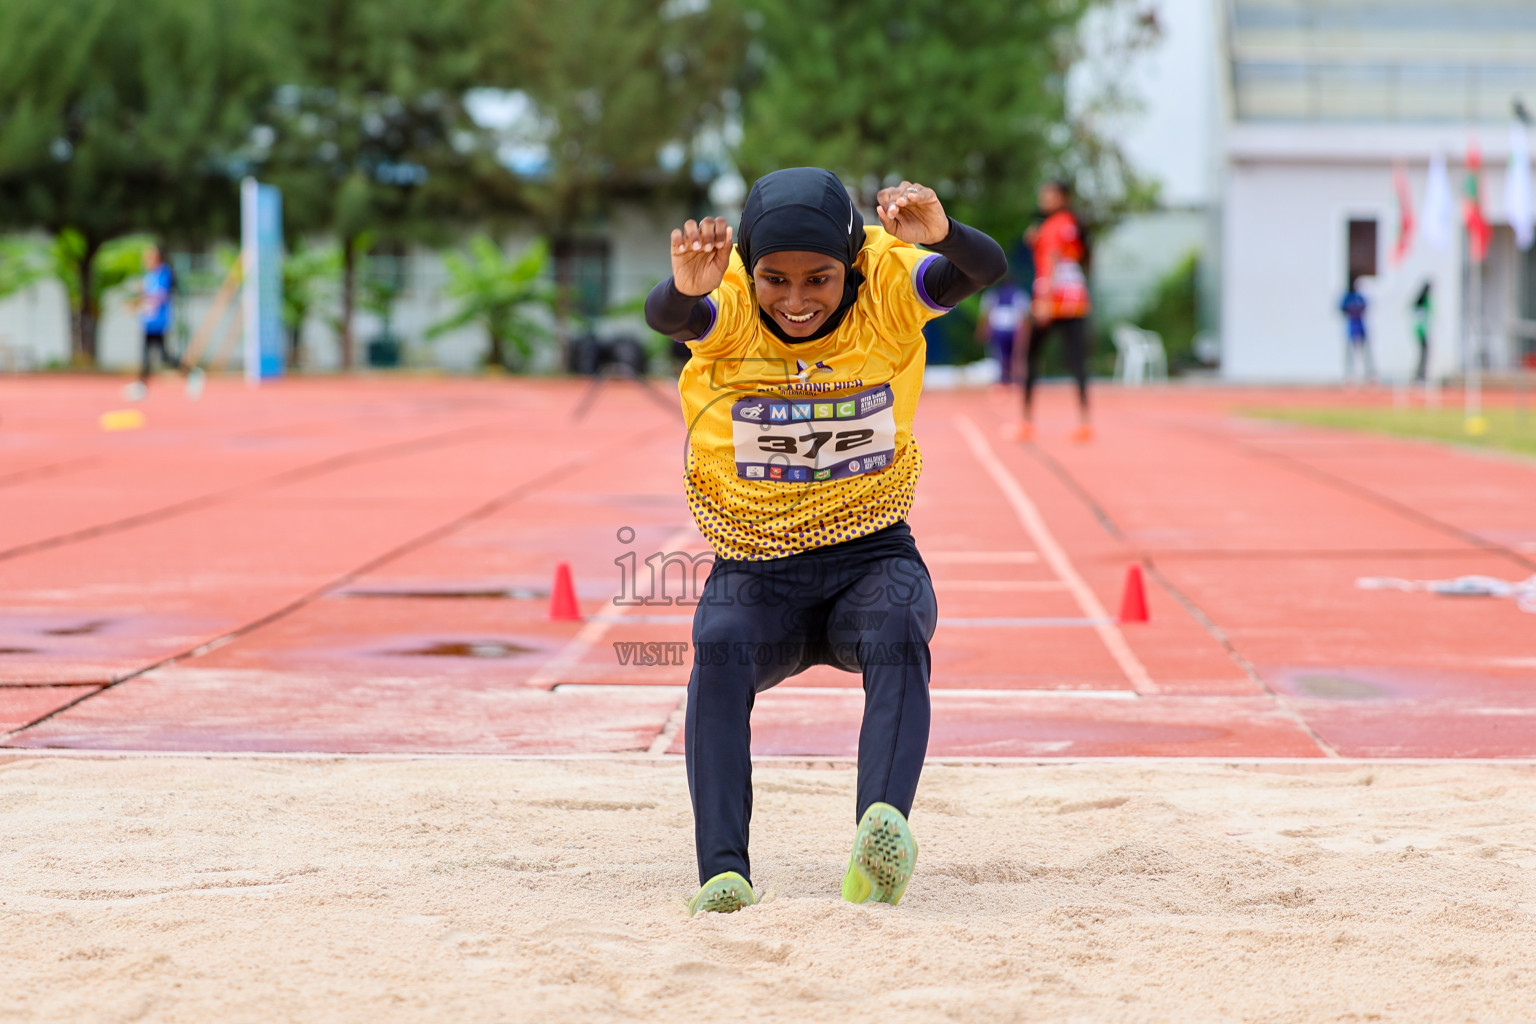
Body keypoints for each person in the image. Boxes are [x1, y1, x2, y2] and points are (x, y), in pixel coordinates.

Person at [644, 168, 1006, 915]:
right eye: (777, 278)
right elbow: (671, 318)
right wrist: (685, 288)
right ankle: (723, 874)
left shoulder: (885, 294)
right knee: (718, 646)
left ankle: (881, 832)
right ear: (749, 266)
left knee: (900, 624)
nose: (798, 299)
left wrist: (942, 236)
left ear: (854, 265)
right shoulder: (734, 302)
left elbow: (983, 269)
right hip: (755, 569)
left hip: (868, 558)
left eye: (820, 279)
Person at [1012, 181, 1092, 442]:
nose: (1043, 197)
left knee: (1033, 357)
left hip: (1056, 300)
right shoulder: (1067, 223)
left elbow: (1055, 257)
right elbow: (1071, 255)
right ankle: (1084, 422)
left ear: (1062, 197)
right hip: (1074, 299)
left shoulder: (1057, 223)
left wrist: (1044, 300)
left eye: (1048, 193)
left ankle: (1026, 422)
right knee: (1076, 359)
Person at [125, 245, 203, 401]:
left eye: (150, 256)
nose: (146, 259)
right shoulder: (149, 275)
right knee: (147, 355)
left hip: (158, 321)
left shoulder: (163, 273)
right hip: (148, 320)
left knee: (163, 356)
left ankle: (191, 373)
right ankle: (142, 385)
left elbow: (159, 295)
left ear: (158, 257)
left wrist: (141, 298)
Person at [975, 278, 1027, 384]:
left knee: (1012, 357)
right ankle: (1005, 380)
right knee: (1002, 357)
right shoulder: (995, 295)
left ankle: (1014, 379)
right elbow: (986, 314)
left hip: (1009, 331)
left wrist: (982, 330)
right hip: (1002, 331)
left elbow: (985, 314)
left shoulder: (1016, 295)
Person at [1340, 278, 1374, 384]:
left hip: (1361, 327)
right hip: (1351, 328)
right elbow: (1342, 309)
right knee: (1349, 353)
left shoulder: (1360, 297)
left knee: (1366, 352)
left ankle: (1369, 375)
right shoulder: (1347, 298)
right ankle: (1350, 376)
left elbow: (1366, 307)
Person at [1411, 281, 1432, 383]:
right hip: (1421, 332)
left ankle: (1421, 375)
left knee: (1425, 353)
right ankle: (1419, 375)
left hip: (1423, 331)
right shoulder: (1421, 302)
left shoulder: (1424, 301)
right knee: (1423, 353)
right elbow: (1420, 319)